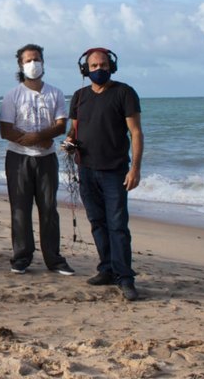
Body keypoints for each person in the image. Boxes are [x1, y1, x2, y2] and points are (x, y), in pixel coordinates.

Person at [66, 48, 143, 301]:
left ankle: (125, 277)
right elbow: (74, 130)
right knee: (98, 223)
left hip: (115, 171)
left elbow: (136, 133)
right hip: (85, 170)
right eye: (94, 65)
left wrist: (135, 169)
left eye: (103, 65)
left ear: (111, 67)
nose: (99, 69)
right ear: (85, 69)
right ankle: (106, 269)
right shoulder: (79, 96)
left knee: (118, 225)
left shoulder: (124, 93)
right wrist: (68, 141)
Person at [0, 44, 74, 276]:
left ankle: (54, 258)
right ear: (21, 65)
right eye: (28, 60)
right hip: (18, 158)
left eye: (37, 59)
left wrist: (42, 136)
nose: (33, 64)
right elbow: (5, 130)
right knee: (20, 209)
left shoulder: (56, 93)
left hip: (47, 159)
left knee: (49, 208)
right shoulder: (13, 95)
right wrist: (29, 140)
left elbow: (61, 125)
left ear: (43, 62)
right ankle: (21, 256)